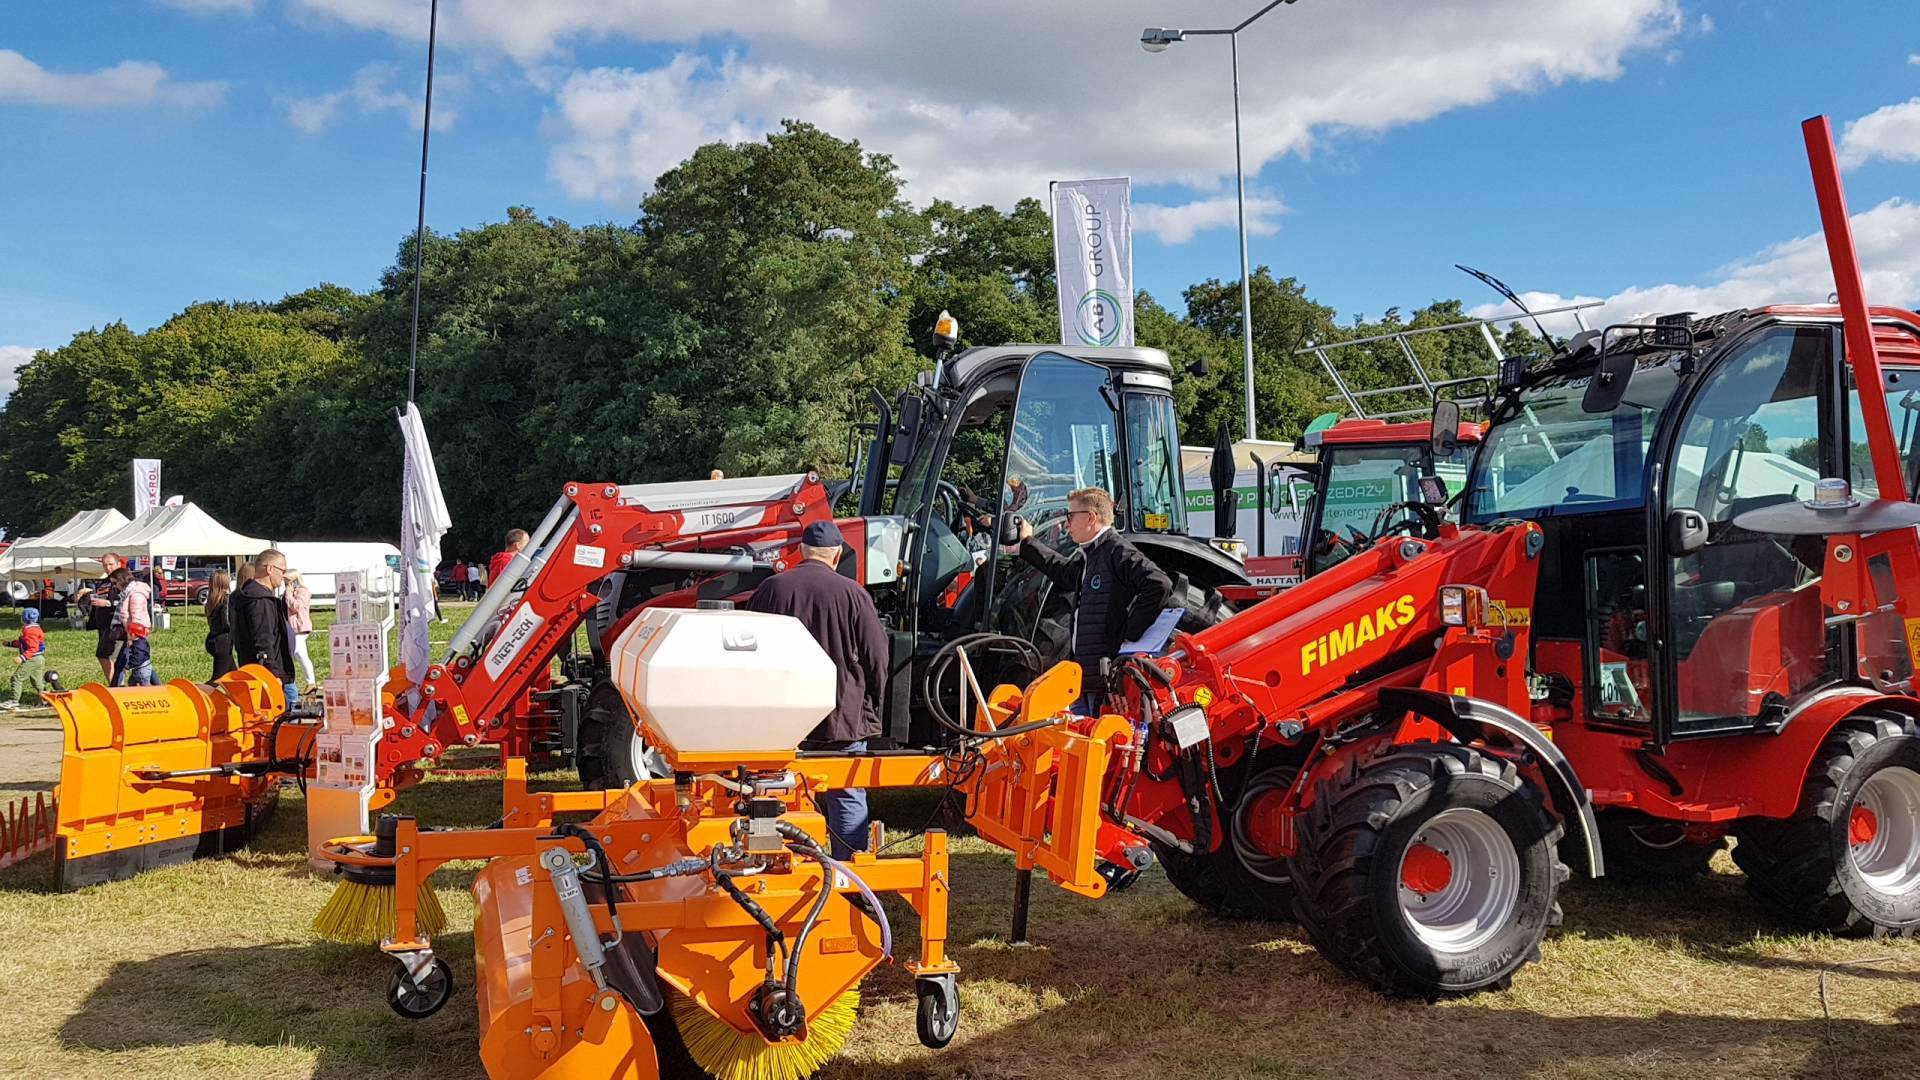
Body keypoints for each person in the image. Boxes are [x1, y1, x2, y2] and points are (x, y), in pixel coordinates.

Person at [746, 520, 889, 859]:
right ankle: (848, 870)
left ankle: (770, 864)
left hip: (781, 720)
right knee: (846, 792)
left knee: (770, 790)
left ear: (800, 551)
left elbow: (748, 649)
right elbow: (877, 656)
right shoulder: (854, 594)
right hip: (842, 717)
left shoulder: (771, 589)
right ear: (837, 555)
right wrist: (872, 701)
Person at [1017, 487, 1173, 714]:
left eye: (1070, 516)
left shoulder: (1117, 551)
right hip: (1087, 677)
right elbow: (1062, 573)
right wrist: (1027, 543)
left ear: (1090, 517)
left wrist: (1128, 634)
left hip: (1104, 680)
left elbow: (1160, 584)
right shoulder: (1091, 556)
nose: (1067, 524)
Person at [231, 548, 296, 703]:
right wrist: (273, 675)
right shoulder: (260, 601)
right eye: (282, 571)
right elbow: (263, 640)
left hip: (252, 671)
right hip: (266, 676)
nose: (284, 576)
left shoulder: (246, 595)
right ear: (270, 569)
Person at [72, 552, 124, 680]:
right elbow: (101, 596)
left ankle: (117, 685)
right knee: (107, 656)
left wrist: (108, 603)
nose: (108, 568)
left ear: (119, 564)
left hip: (117, 624)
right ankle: (116, 684)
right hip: (103, 624)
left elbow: (128, 600)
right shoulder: (105, 581)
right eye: (105, 565)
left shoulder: (124, 580)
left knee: (110, 656)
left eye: (111, 564)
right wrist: (88, 595)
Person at [110, 566, 158, 687]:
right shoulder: (128, 592)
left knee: (133, 662)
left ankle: (115, 688)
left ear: (122, 580)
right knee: (138, 662)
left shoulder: (136, 594)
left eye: (115, 583)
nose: (114, 586)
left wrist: (132, 637)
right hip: (131, 633)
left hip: (136, 633)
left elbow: (137, 618)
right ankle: (157, 687)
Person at [3, 607, 46, 710]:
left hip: (32, 659)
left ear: (25, 618)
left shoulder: (29, 631)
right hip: (39, 658)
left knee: (16, 678)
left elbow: (33, 648)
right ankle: (46, 699)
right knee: (37, 682)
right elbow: (24, 643)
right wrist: (10, 643)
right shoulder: (35, 629)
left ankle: (14, 701)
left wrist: (22, 657)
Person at [285, 568, 316, 692]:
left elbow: (297, 607)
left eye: (287, 581)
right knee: (301, 655)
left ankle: (290, 682)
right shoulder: (290, 592)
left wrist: (289, 593)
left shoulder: (303, 591)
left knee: (294, 652)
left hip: (299, 627)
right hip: (292, 627)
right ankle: (311, 682)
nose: (285, 584)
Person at [204, 569, 237, 679]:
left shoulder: (211, 600)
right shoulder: (226, 600)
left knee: (233, 676)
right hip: (223, 642)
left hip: (214, 639)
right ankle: (193, 690)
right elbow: (227, 623)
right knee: (217, 679)